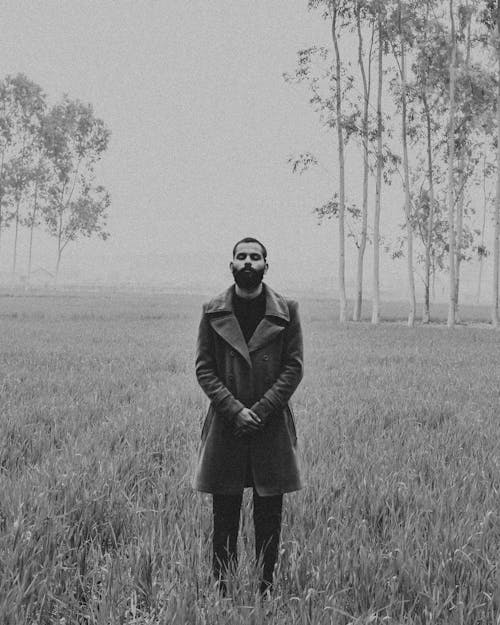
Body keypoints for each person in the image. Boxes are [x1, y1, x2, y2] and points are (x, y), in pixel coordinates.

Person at [193, 237, 304, 596]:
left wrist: (260, 410)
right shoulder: (212, 311)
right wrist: (234, 410)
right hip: (227, 426)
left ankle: (265, 589)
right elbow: (204, 368)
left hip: (269, 427)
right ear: (231, 265)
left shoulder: (287, 310)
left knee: (269, 515)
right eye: (241, 256)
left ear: (265, 267)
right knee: (224, 513)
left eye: (255, 257)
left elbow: (293, 368)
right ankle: (222, 590)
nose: (247, 262)